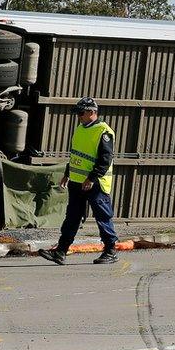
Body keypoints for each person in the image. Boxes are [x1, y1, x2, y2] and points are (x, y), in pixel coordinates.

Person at [39, 97, 119, 266]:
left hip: (95, 183)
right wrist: (67, 174)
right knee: (72, 217)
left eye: (81, 113)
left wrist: (91, 178)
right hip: (76, 182)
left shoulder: (103, 131)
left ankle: (110, 250)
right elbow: (76, 155)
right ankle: (61, 251)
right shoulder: (80, 129)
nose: (79, 117)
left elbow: (105, 160)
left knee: (102, 217)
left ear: (92, 112)